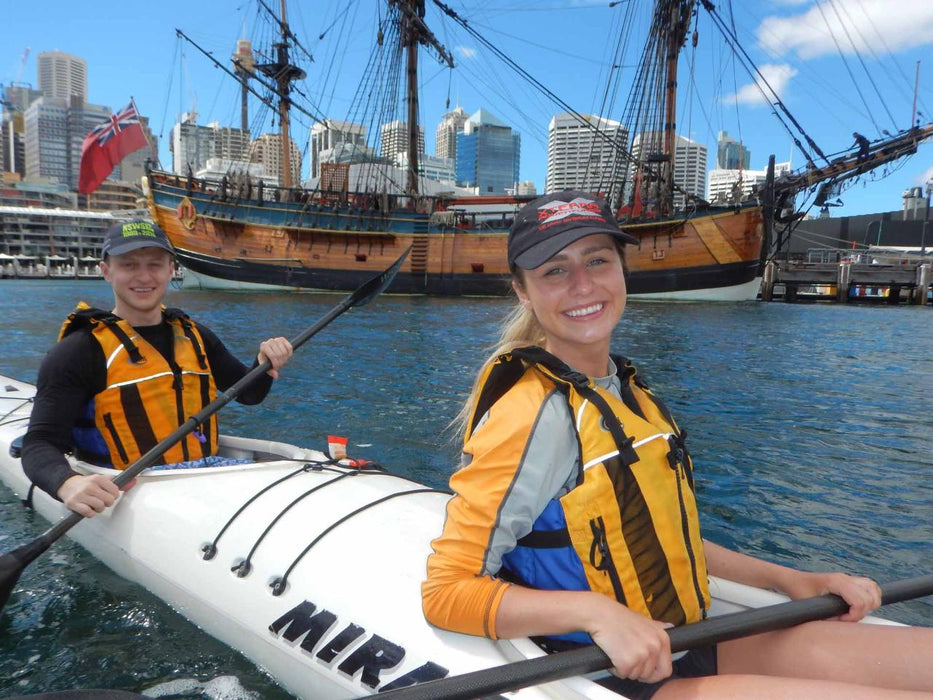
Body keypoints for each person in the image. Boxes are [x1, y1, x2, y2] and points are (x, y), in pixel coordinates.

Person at [422, 191, 933, 698]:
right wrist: (596, 613)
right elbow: (447, 591)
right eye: (555, 271)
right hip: (608, 674)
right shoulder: (531, 415)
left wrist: (791, 578)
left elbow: (663, 535)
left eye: (597, 261)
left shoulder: (627, 390)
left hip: (687, 641)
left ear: (622, 271)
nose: (582, 285)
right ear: (523, 292)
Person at [22, 220, 293, 519]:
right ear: (106, 271)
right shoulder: (78, 351)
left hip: (205, 478)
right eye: (129, 265)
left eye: (155, 264)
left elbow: (249, 394)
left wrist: (264, 362)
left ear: (170, 270)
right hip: (130, 488)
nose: (144, 276)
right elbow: (39, 444)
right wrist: (68, 483)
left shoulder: (195, 335)